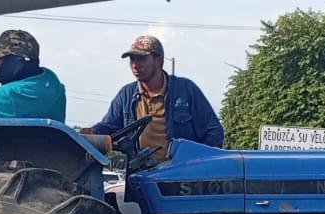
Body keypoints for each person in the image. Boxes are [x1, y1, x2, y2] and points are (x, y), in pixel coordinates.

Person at [85, 35, 224, 164]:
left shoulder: (185, 89)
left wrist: (200, 166)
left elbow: (214, 131)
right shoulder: (126, 95)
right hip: (141, 176)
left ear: (158, 60)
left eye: (141, 59)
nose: (135, 64)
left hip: (179, 178)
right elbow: (109, 127)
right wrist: (90, 133)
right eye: (132, 59)